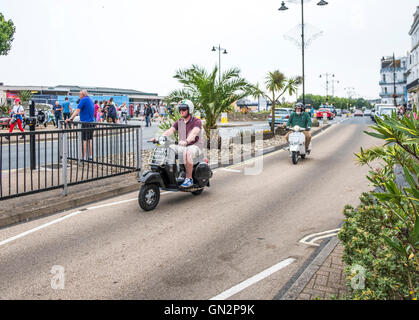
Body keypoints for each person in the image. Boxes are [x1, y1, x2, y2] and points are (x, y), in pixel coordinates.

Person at [151, 99, 202, 188]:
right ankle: (171, 174)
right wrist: (158, 138)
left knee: (187, 152)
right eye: (180, 109)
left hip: (194, 146)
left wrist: (186, 141)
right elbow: (170, 131)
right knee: (168, 148)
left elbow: (194, 133)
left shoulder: (196, 121)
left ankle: (189, 179)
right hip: (181, 145)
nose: (181, 111)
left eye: (183, 109)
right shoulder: (179, 122)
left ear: (190, 110)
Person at [65, 90, 95, 161]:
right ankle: (90, 157)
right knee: (90, 140)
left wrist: (70, 118)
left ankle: (83, 157)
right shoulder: (90, 100)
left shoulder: (83, 100)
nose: (79, 95)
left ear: (83, 94)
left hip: (85, 123)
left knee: (84, 140)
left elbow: (77, 110)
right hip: (92, 123)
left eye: (80, 94)